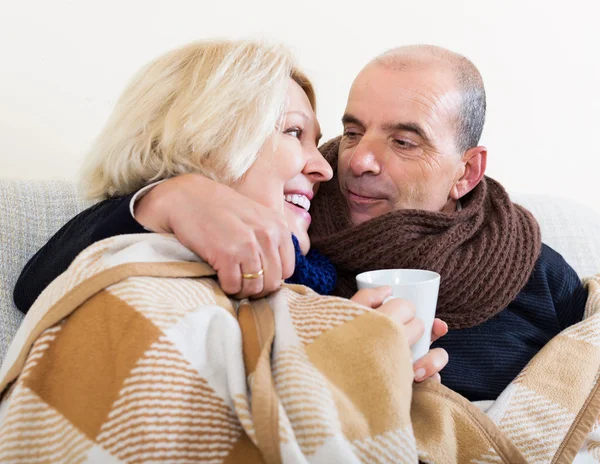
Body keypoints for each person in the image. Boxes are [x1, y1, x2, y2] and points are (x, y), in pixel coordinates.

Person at [14, 45, 587, 401]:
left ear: (465, 173)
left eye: (404, 140)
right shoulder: (287, 225)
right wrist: (171, 196)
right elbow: (48, 281)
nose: (351, 161)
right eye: (354, 130)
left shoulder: (532, 267)